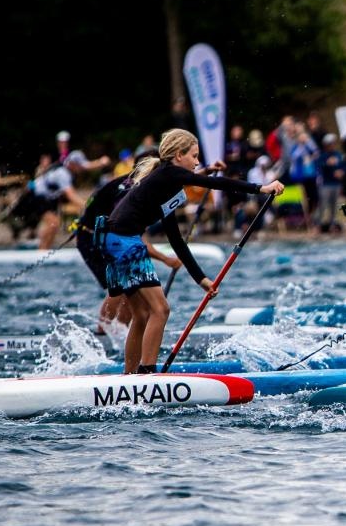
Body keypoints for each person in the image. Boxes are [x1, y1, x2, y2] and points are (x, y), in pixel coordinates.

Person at [100, 129, 282, 374]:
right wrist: (262, 188)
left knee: (142, 313)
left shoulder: (166, 184)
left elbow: (176, 240)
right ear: (178, 155)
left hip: (112, 241)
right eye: (194, 156)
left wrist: (201, 279)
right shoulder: (168, 174)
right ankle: (147, 374)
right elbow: (215, 183)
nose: (197, 162)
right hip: (124, 243)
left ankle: (130, 377)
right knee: (160, 309)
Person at [74, 147, 179, 335]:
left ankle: (121, 333)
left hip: (105, 237)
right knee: (120, 288)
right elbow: (130, 237)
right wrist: (166, 259)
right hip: (93, 239)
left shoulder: (138, 185)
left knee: (132, 286)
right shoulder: (129, 190)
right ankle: (103, 333)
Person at [316, 133, 346, 233]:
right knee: (323, 205)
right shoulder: (322, 155)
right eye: (330, 144)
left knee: (334, 205)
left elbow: (344, 166)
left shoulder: (338, 154)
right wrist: (327, 164)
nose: (332, 145)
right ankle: (319, 223)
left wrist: (341, 172)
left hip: (336, 184)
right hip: (326, 184)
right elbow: (318, 166)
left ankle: (333, 223)